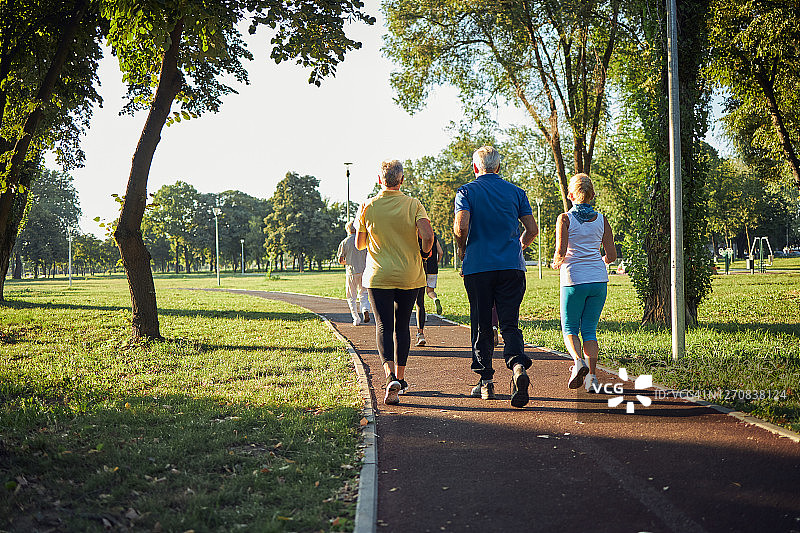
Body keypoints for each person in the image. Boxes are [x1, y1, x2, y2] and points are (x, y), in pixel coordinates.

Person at [454, 146, 538, 408]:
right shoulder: (516, 192)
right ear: (498, 167)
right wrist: (519, 246)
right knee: (509, 323)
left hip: (479, 266)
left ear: (475, 167)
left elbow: (462, 224)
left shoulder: (466, 191)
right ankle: (516, 367)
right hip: (511, 267)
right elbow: (532, 229)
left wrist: (462, 249)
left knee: (481, 323)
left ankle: (485, 382)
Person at [357, 160, 434, 405]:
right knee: (402, 326)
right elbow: (428, 236)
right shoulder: (413, 204)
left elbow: (359, 244)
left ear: (380, 180)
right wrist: (424, 253)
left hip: (379, 276)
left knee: (383, 326)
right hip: (409, 275)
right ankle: (401, 379)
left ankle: (389, 374)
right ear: (401, 180)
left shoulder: (367, 206)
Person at [551, 173, 616, 393]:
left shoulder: (565, 219)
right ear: (592, 195)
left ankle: (578, 362)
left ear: (570, 195)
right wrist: (599, 262)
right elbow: (612, 255)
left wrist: (555, 262)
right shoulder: (602, 219)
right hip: (598, 281)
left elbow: (561, 251)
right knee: (589, 330)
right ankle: (593, 379)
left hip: (574, 280)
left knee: (570, 328)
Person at [337, 220, 370, 326]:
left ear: (348, 230)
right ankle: (365, 309)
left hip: (351, 271)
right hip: (363, 271)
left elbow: (340, 259)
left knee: (351, 296)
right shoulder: (363, 241)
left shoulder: (345, 242)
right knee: (363, 293)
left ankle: (356, 318)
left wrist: (349, 261)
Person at [414, 233, 444, 347]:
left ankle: (420, 334)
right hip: (432, 268)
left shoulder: (414, 236)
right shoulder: (433, 236)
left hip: (419, 269)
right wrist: (436, 263)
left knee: (419, 302)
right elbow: (440, 252)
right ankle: (435, 298)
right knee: (430, 291)